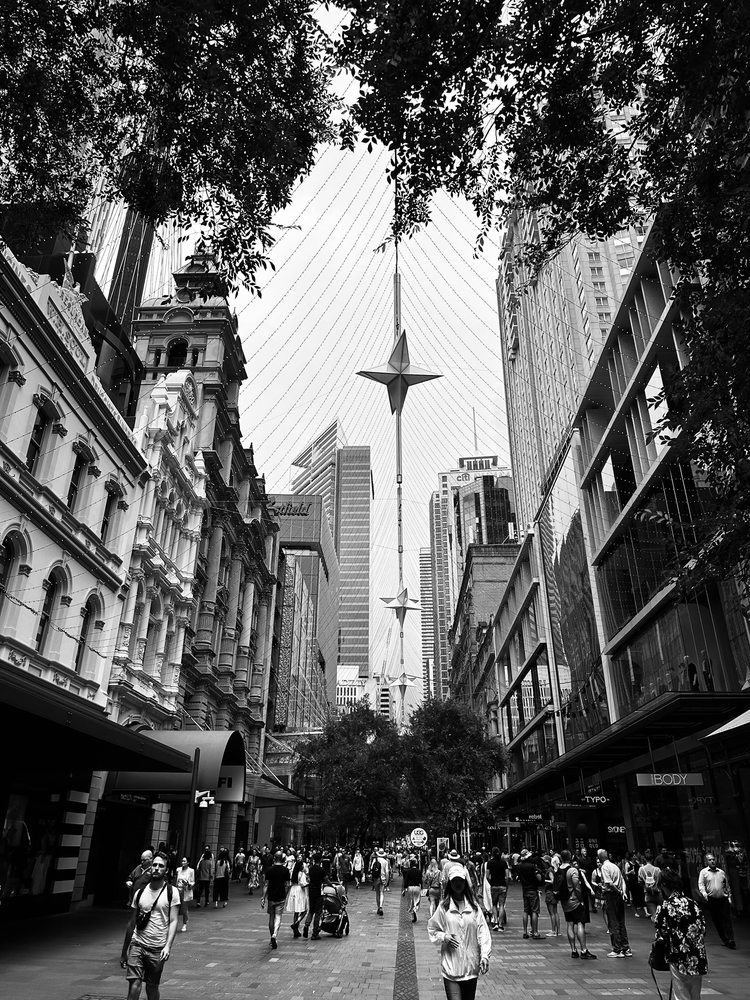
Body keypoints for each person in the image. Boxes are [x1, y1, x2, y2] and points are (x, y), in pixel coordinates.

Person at [427, 861, 491, 1000]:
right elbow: (432, 928)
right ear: (450, 883)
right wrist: (444, 937)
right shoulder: (444, 907)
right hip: (451, 968)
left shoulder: (474, 908)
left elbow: (483, 932)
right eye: (454, 880)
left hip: (470, 968)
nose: (457, 884)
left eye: (460, 880)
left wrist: (485, 955)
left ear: (464, 882)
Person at [122, 853, 179, 1000]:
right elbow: (132, 922)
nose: (156, 868)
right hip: (138, 944)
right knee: (134, 985)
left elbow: (173, 921)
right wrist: (124, 951)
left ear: (166, 870)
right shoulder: (140, 892)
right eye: (154, 865)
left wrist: (168, 946)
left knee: (152, 988)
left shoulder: (172, 893)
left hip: (157, 948)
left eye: (161, 866)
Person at [654, 867, 708, 1000]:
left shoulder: (666, 906)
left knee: (681, 994)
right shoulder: (693, 904)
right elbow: (703, 929)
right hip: (697, 956)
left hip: (678, 956)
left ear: (664, 885)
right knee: (695, 995)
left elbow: (662, 932)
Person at [555, 850, 596, 960]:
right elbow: (576, 886)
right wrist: (581, 899)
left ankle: (573, 950)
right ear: (570, 857)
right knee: (580, 923)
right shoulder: (572, 870)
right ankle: (583, 950)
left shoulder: (559, 869)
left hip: (565, 901)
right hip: (574, 900)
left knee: (569, 924)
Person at [598, 849, 632, 957]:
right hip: (619, 896)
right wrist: (624, 893)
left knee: (613, 922)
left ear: (600, 858)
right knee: (621, 922)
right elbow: (622, 880)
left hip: (611, 896)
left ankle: (617, 949)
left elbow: (610, 884)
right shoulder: (615, 866)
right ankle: (626, 948)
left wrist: (619, 891)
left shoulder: (604, 867)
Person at [697, 853, 735, 949]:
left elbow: (726, 885)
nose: (712, 861)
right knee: (717, 920)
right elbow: (701, 885)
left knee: (727, 919)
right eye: (710, 860)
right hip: (712, 900)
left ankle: (731, 939)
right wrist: (705, 895)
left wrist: (729, 897)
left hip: (723, 899)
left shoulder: (721, 872)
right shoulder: (703, 872)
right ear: (706, 862)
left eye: (713, 859)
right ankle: (724, 939)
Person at [263, 850, 290, 949]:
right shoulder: (286, 870)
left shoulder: (269, 870)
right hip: (281, 896)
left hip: (271, 897)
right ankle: (275, 934)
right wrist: (285, 895)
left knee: (271, 917)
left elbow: (266, 884)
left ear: (274, 858)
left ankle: (271, 937)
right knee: (278, 916)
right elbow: (287, 885)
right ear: (282, 859)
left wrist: (263, 897)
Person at [516, 848, 543, 939]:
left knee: (526, 910)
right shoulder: (532, 866)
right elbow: (539, 878)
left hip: (525, 890)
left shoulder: (519, 866)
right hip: (533, 890)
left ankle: (524, 931)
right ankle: (535, 932)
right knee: (535, 911)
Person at [304, 851, 325, 939]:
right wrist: (331, 885)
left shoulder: (311, 869)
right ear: (320, 860)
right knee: (318, 913)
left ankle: (306, 925)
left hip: (311, 891)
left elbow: (308, 878)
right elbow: (326, 879)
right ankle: (315, 933)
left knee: (311, 910)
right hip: (318, 893)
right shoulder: (321, 870)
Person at [486, 846, 508, 931]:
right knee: (502, 905)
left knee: (494, 905)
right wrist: (506, 885)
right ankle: (500, 924)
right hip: (502, 886)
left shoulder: (490, 863)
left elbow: (487, 876)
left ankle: (495, 922)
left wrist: (491, 883)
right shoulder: (503, 863)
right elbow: (507, 876)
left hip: (494, 886)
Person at [287, 853, 308, 937]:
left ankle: (295, 931)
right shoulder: (301, 873)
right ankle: (296, 923)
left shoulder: (293, 872)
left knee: (296, 912)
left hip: (293, 890)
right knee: (304, 910)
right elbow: (303, 884)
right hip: (299, 891)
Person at [638, 850, 663, 921]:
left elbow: (640, 882)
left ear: (645, 859)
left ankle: (657, 929)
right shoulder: (657, 869)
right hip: (658, 893)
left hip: (648, 894)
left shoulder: (641, 869)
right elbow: (661, 881)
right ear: (653, 859)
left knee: (654, 916)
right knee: (661, 914)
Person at [542, 855, 560, 937]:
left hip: (550, 892)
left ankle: (553, 931)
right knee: (555, 912)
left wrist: (544, 880)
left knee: (552, 912)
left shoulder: (549, 870)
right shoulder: (555, 870)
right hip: (555, 892)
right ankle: (557, 931)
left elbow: (552, 881)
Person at [175, 857, 194, 933]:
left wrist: (188, 884)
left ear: (188, 862)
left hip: (185, 891)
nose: (182, 862)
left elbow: (192, 882)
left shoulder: (191, 871)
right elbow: (175, 880)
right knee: (175, 907)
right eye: (182, 861)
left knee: (184, 909)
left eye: (184, 861)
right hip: (178, 890)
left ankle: (184, 923)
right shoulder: (178, 869)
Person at [402, 856, 422, 922]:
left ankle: (413, 913)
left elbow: (406, 880)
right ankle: (415, 910)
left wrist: (404, 888)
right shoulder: (419, 871)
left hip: (410, 887)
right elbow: (420, 880)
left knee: (411, 901)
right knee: (417, 901)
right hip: (417, 887)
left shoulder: (409, 871)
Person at [371, 848, 389, 916]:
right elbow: (387, 872)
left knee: (377, 893)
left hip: (376, 878)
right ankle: (381, 906)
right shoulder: (385, 861)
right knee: (382, 892)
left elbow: (371, 869)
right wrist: (387, 881)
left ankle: (378, 907)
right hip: (383, 878)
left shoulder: (375, 860)